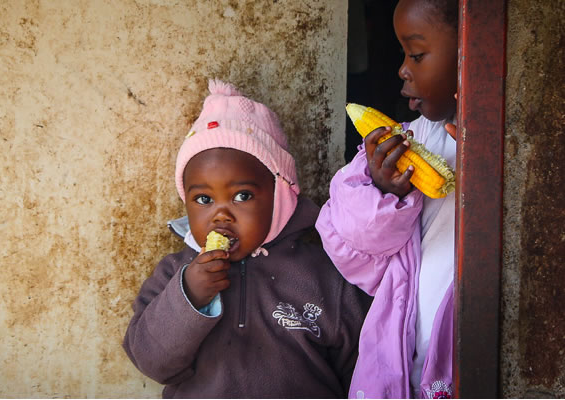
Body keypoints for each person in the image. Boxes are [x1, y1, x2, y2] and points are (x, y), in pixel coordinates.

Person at [123, 79, 370, 398]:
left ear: (280, 197)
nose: (220, 215)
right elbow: (152, 362)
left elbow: (364, 369)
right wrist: (189, 296)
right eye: (203, 200)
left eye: (241, 195)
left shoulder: (328, 278)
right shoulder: (174, 274)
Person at [315, 0, 458, 398]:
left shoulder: (520, 148)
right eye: (402, 55)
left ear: (471, 52)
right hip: (403, 361)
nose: (403, 70)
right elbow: (347, 244)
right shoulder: (404, 144)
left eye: (416, 54)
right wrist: (382, 191)